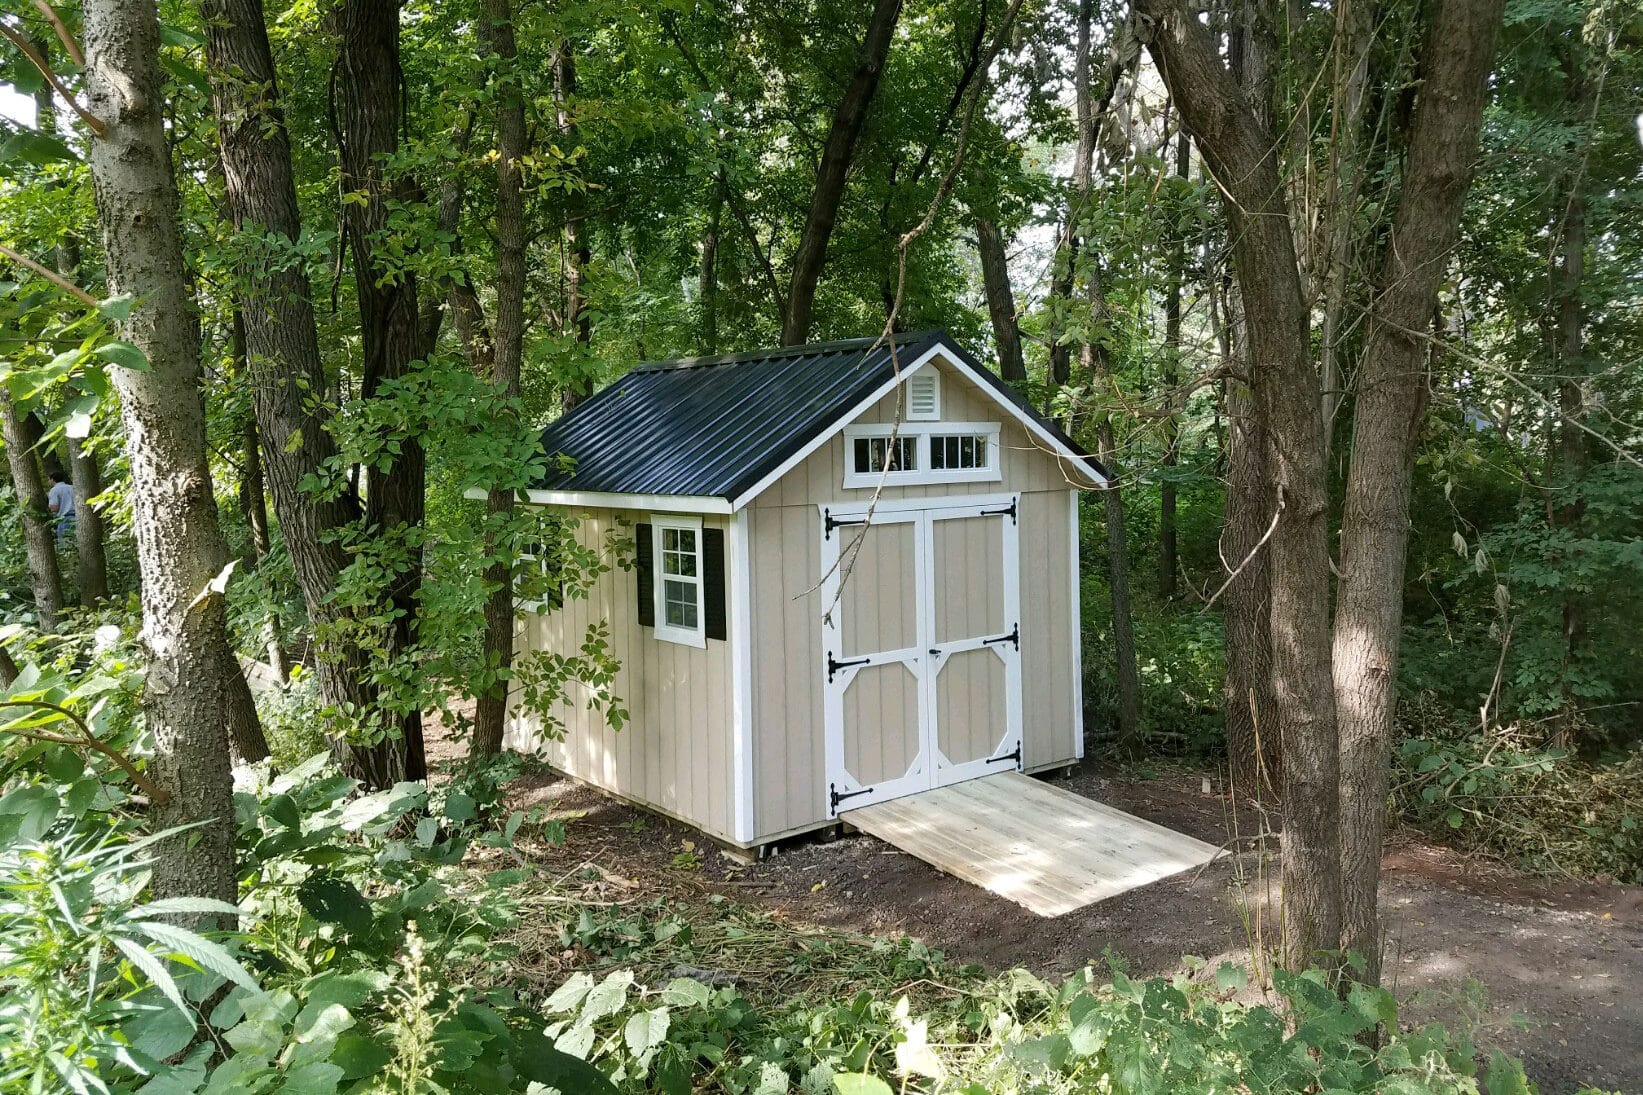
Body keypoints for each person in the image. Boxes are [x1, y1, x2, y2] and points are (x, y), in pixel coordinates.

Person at [46, 470, 74, 542]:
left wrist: (49, 507)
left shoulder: (54, 490)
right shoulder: (72, 487)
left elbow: (55, 508)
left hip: (65, 519)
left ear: (52, 480)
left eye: (49, 480)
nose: (48, 482)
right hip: (77, 518)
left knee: (65, 545)